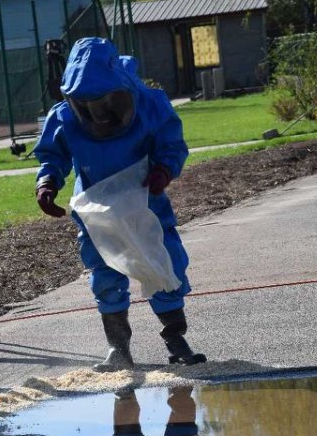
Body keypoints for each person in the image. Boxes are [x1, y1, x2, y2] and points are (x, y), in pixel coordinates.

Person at [33, 37, 206, 371]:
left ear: (121, 89)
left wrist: (163, 170)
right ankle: (118, 348)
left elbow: (172, 144)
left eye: (106, 103)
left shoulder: (150, 104)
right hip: (96, 211)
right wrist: (47, 183)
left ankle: (176, 339)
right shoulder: (64, 117)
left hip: (145, 204)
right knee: (105, 273)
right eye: (87, 106)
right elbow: (53, 156)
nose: (98, 116)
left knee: (164, 264)